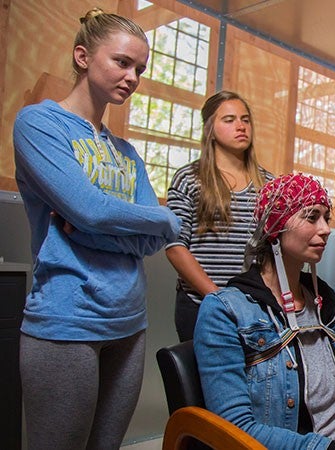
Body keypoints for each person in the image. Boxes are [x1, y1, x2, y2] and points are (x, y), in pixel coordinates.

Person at [12, 8, 180, 450]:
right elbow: (92, 208)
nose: (132, 77)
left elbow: (154, 234)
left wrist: (97, 227)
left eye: (140, 69)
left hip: (130, 321)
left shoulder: (125, 151)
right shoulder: (39, 124)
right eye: (122, 62)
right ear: (83, 56)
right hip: (66, 320)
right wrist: (141, 218)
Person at [194, 173, 335, 450]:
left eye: (326, 218)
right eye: (311, 217)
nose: (326, 229)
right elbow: (236, 427)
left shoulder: (333, 306)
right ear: (275, 228)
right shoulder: (226, 312)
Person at [166, 90, 273, 342]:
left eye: (245, 120)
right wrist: (217, 298)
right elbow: (174, 247)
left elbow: (272, 249)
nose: (241, 126)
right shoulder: (189, 178)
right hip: (201, 304)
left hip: (253, 306)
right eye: (229, 119)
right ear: (210, 129)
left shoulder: (269, 184)